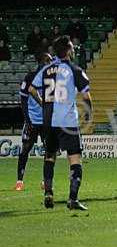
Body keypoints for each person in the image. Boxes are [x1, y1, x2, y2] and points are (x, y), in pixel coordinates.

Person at [30, 36, 92, 210]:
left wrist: (43, 103)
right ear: (68, 50)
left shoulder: (46, 69)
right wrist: (88, 114)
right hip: (67, 121)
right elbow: (86, 95)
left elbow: (31, 89)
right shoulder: (74, 69)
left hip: (48, 120)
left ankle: (48, 193)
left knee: (50, 156)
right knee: (75, 159)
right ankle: (72, 199)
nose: (73, 50)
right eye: (71, 47)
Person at [15, 53, 53, 191]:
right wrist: (28, 119)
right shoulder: (30, 77)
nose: (50, 63)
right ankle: (19, 180)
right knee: (25, 150)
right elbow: (23, 101)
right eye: (48, 60)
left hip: (46, 121)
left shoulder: (51, 79)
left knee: (48, 151)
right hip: (32, 120)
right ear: (42, 62)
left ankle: (45, 181)